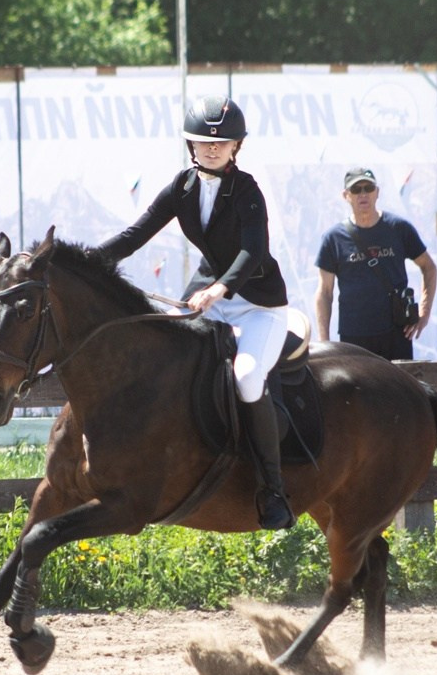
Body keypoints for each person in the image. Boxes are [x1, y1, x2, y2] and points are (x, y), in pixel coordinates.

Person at [95, 95, 294, 530]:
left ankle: (273, 490)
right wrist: (84, 261)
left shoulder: (248, 190)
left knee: (245, 378)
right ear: (191, 144)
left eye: (220, 143)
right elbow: (135, 234)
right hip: (209, 294)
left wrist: (220, 289)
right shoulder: (182, 187)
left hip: (258, 305)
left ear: (236, 147)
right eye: (204, 141)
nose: (211, 148)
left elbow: (253, 250)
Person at [314, 167, 437, 361]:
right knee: (358, 391)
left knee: (399, 391)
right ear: (346, 195)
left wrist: (424, 311)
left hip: (397, 332)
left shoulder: (399, 228)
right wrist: (324, 341)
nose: (363, 194)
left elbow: (429, 267)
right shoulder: (333, 238)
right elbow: (324, 292)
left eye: (368, 188)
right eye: (356, 190)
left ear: (377, 192)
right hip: (353, 336)